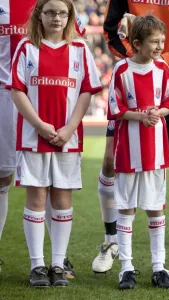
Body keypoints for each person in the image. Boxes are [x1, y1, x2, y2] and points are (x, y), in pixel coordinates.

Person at [92, 0, 169, 278]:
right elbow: (111, 29)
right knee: (111, 161)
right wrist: (138, 56)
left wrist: (162, 61)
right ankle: (111, 243)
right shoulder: (123, 70)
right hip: (134, 78)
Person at [6, 0, 101, 287]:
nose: (57, 18)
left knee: (61, 198)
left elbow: (86, 91)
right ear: (40, 15)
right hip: (34, 135)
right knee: (36, 198)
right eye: (51, 12)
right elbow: (17, 91)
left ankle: (57, 264)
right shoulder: (26, 47)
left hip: (67, 138)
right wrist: (40, 125)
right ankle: (37, 266)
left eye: (63, 13)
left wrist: (70, 127)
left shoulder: (80, 49)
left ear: (70, 16)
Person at [107, 15, 169, 290]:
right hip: (127, 151)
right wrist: (141, 116)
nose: (160, 46)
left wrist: (156, 113)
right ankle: (126, 268)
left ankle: (160, 268)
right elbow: (115, 108)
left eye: (162, 41)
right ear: (136, 43)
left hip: (156, 152)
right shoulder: (121, 70)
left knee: (155, 209)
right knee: (126, 208)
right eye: (154, 42)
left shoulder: (163, 69)